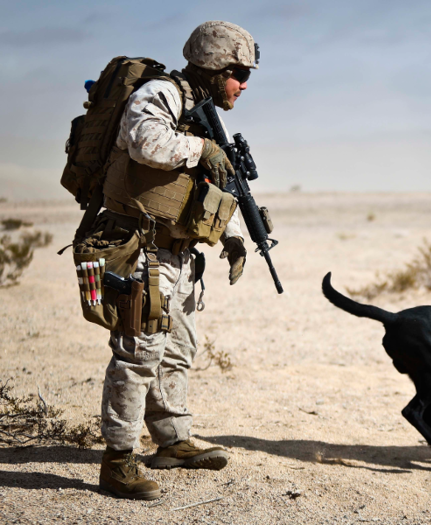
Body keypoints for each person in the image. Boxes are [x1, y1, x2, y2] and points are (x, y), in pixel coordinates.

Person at [94, 21, 258, 500]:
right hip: (140, 248)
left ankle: (171, 440)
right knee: (138, 353)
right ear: (214, 66)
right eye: (238, 73)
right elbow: (145, 142)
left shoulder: (201, 111)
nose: (243, 84)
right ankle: (118, 460)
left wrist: (232, 236)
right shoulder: (160, 93)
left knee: (177, 351)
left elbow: (202, 188)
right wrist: (201, 149)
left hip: (178, 253)